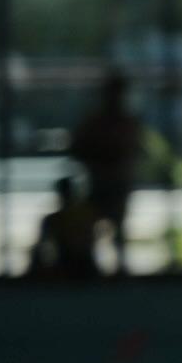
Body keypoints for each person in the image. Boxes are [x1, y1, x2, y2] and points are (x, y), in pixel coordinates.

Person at [69, 70, 146, 272]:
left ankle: (117, 267)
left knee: (115, 229)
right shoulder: (101, 122)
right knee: (95, 228)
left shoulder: (124, 123)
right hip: (103, 182)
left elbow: (134, 150)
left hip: (115, 183)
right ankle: (95, 267)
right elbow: (78, 148)